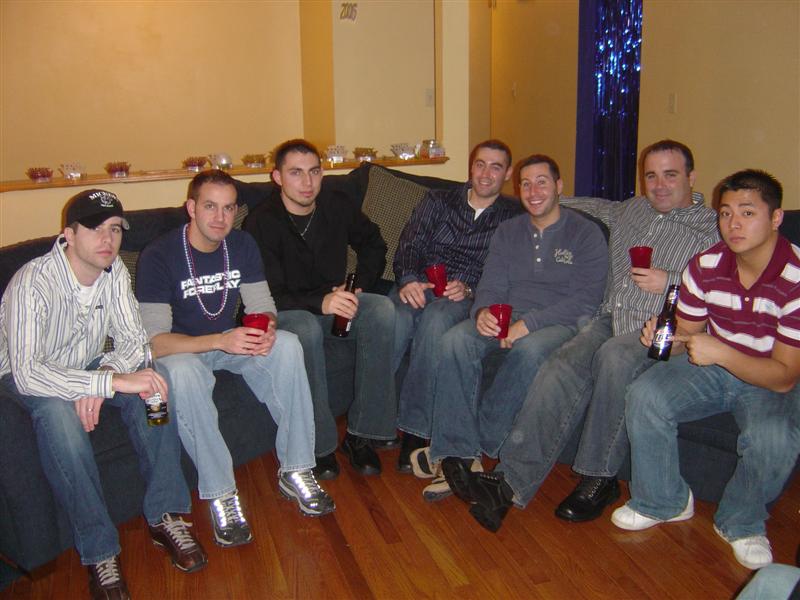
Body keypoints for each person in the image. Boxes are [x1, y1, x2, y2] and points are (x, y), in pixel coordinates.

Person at [466, 139, 719, 533]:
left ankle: (599, 478)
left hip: (661, 327)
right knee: (560, 365)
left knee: (614, 358)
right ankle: (509, 482)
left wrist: (673, 280)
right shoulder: (632, 209)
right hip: (607, 317)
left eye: (670, 175)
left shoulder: (714, 227)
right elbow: (579, 205)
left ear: (691, 177)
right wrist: (539, 196)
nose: (659, 185)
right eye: (651, 176)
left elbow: (728, 283)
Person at [0, 189, 206, 600]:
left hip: (91, 363)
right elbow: (28, 372)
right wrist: (104, 384)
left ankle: (165, 513)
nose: (107, 239)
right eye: (95, 228)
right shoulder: (32, 282)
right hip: (30, 377)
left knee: (154, 386)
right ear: (68, 235)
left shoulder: (114, 274)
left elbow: (135, 341)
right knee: (60, 421)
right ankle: (99, 551)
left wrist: (108, 373)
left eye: (114, 229)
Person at [613, 169, 800, 571]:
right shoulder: (706, 264)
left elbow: (785, 377)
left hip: (768, 376)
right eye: (726, 213)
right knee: (645, 393)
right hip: (715, 365)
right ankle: (663, 500)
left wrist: (721, 353)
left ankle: (741, 523)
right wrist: (668, 337)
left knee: (773, 437)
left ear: (776, 218)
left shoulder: (796, 278)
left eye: (747, 213)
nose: (733, 224)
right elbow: (688, 332)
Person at [136, 170, 334, 550]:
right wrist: (219, 340)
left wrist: (267, 328)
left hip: (229, 342)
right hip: (181, 352)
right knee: (186, 373)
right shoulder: (159, 255)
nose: (220, 218)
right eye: (210, 207)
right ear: (191, 207)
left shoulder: (241, 244)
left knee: (288, 346)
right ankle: (222, 494)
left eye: (228, 208)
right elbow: (155, 343)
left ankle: (296, 469)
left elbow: (263, 306)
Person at [414, 154, 608, 502]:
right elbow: (491, 283)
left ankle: (471, 446)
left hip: (558, 320)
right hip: (508, 312)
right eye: (526, 184)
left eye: (542, 182)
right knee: (455, 340)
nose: (533, 192)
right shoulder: (509, 231)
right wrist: (483, 311)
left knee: (529, 350)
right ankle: (460, 455)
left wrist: (527, 325)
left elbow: (586, 300)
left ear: (559, 186)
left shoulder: (585, 233)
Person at [245, 139, 397, 480]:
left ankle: (363, 434)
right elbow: (268, 295)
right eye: (295, 173)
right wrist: (321, 302)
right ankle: (319, 444)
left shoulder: (335, 203)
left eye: (314, 172)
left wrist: (358, 286)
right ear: (277, 177)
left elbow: (374, 243)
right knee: (306, 328)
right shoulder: (261, 223)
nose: (307, 182)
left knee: (381, 310)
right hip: (289, 310)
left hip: (334, 303)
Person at [392, 139, 522, 471]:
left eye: (496, 167)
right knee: (395, 318)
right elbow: (410, 242)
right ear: (471, 166)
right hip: (420, 282)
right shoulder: (438, 200)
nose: (486, 173)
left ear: (507, 173)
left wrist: (470, 288)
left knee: (436, 319)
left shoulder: (513, 216)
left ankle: (415, 430)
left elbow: (506, 270)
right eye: (480, 164)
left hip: (462, 295)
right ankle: (372, 423)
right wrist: (408, 279)